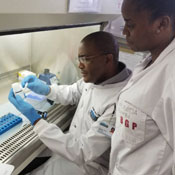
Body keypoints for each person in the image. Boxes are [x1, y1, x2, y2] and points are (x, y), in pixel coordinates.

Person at [8, 31, 131, 175]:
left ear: (107, 59)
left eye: (85, 59)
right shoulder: (98, 77)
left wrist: (36, 120)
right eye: (79, 59)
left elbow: (83, 151)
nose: (79, 65)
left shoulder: (120, 101)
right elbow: (72, 92)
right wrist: (46, 89)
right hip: (70, 150)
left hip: (89, 166)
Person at [109, 0, 175, 174]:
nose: (124, 31)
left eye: (130, 24)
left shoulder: (172, 77)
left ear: (162, 24)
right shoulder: (150, 60)